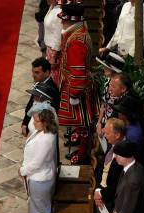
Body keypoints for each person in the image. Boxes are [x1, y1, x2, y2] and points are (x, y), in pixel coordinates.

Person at [56, 0, 95, 164]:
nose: (62, 22)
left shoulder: (76, 42)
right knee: (80, 122)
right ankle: (79, 139)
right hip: (77, 85)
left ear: (70, 20)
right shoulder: (77, 33)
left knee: (83, 121)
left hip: (78, 88)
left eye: (63, 19)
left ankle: (83, 153)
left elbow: (78, 72)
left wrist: (74, 93)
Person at [19, 104, 57, 213]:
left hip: (40, 180)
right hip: (39, 177)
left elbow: (37, 163)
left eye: (36, 121)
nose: (34, 123)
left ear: (45, 122)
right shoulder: (42, 131)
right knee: (42, 210)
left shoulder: (46, 139)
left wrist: (23, 171)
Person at [21, 57, 60, 136]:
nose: (33, 75)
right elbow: (30, 104)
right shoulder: (40, 82)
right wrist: (25, 123)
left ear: (47, 72)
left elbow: (47, 117)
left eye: (37, 72)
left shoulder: (50, 90)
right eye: (33, 72)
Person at [42, 0, 62, 84]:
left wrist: (54, 57)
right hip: (49, 49)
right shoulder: (52, 7)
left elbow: (58, 34)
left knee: (54, 78)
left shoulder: (59, 11)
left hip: (54, 52)